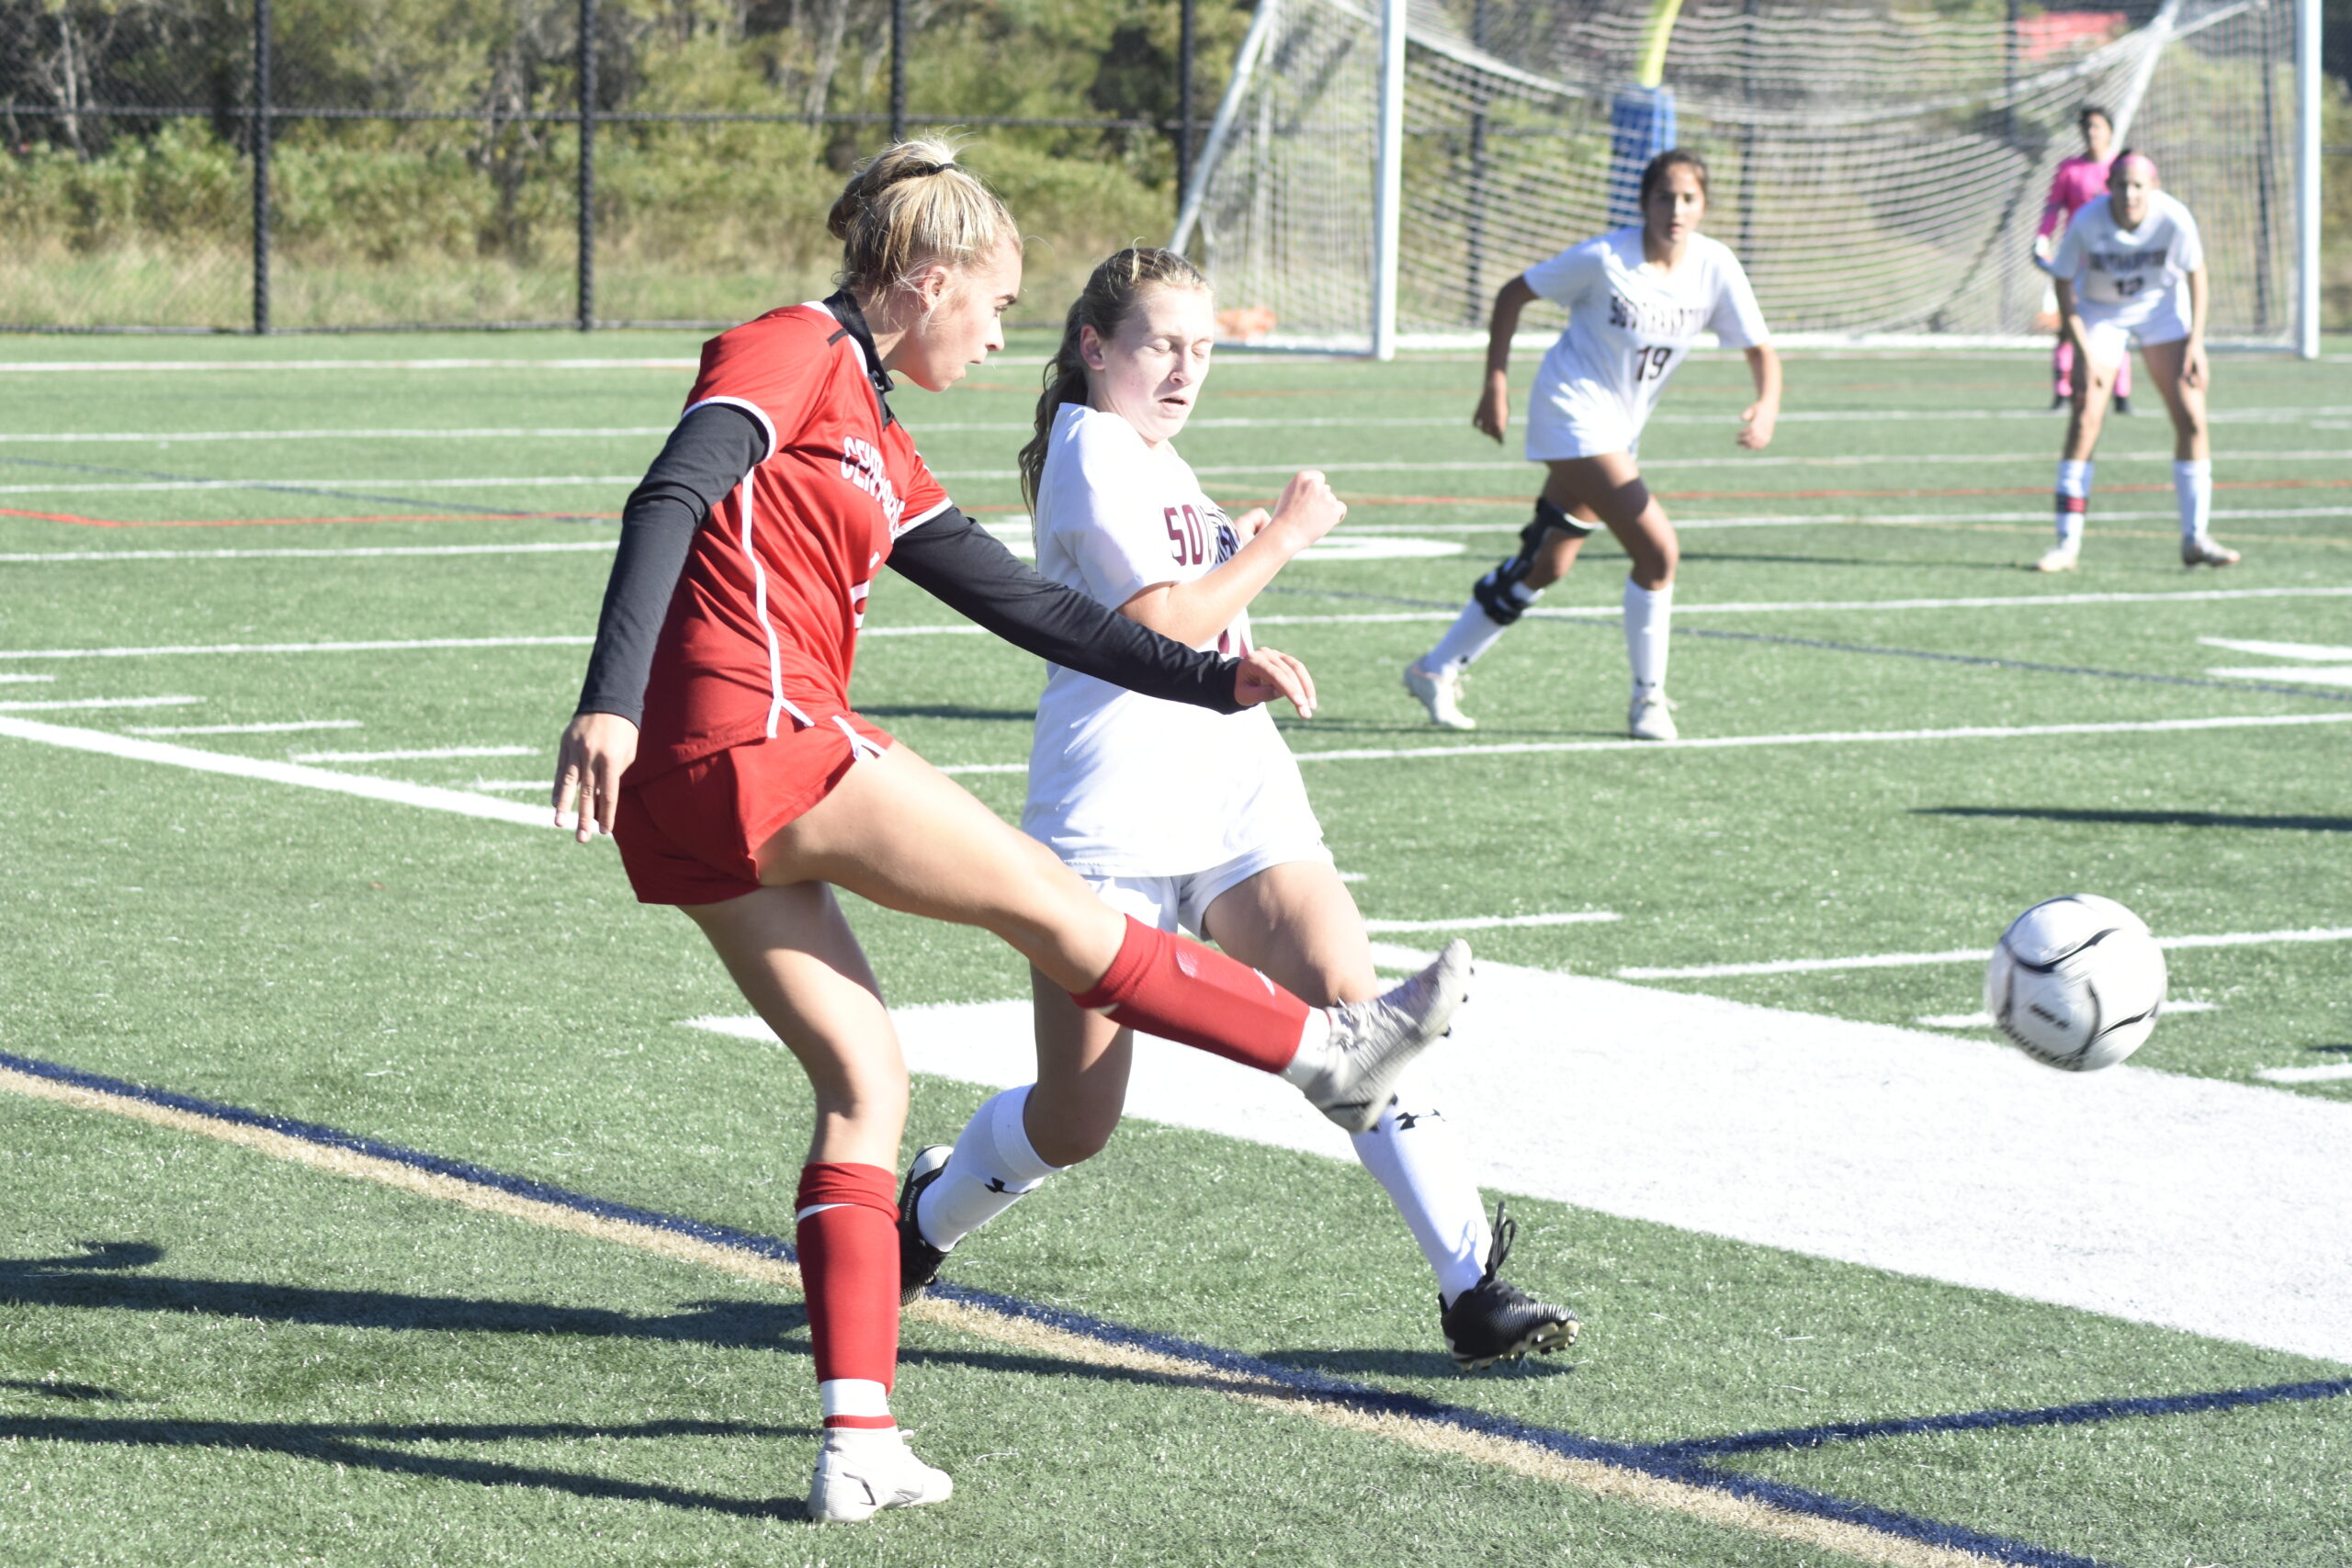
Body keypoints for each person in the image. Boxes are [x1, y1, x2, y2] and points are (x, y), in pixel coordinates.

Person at [549, 141, 1473, 1525]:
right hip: (755, 737)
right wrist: (606, 702)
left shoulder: (876, 425)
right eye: (991, 305)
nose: (998, 337)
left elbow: (1030, 608)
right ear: (924, 284)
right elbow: (670, 491)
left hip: (701, 795)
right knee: (1056, 901)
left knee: (868, 1081)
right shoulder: (791, 347)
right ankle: (1326, 1053)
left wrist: (1215, 676)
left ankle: (856, 1435)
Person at [893, 247, 1577, 1370]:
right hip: (1108, 809)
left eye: (1202, 348)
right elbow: (1160, 623)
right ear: (1094, 347)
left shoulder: (1152, 452)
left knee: (1359, 1014)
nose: (1183, 368)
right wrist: (1281, 539)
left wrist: (1243, 582)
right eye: (1161, 343)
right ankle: (924, 1218)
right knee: (1076, 1124)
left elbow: (1193, 612)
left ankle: (1471, 1288)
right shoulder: (1091, 449)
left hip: (1234, 783)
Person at [1403, 149, 1780, 740]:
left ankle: (1436, 667)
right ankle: (1647, 700)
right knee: (1658, 554)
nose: (1675, 210)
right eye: (1664, 197)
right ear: (1643, 202)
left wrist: (1767, 406)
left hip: (1617, 430)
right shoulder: (1605, 258)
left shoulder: (1715, 265)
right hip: (1569, 414)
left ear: (1704, 205)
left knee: (1549, 561)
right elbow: (1512, 295)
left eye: (1688, 198)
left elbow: (1761, 350)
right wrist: (1495, 384)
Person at [2039, 150, 2238, 572]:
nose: (2129, 193)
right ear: (2108, 186)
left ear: (2153, 186)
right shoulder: (2089, 221)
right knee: (2085, 418)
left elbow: (2196, 274)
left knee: (2192, 417)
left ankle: (2195, 538)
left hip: (2160, 312)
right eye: (2121, 184)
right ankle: (2066, 544)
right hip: (2101, 314)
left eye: (2138, 185)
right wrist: (2080, 351)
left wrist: (2196, 342)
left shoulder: (2174, 217)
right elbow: (2062, 281)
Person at [2036, 107, 2132, 415]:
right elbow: (2053, 208)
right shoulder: (2070, 170)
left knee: (2117, 321)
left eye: (2098, 127)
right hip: (2075, 258)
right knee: (2067, 324)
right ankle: (2061, 392)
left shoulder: (2121, 171)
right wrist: (2042, 237)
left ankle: (2121, 394)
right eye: (2088, 127)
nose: (2093, 132)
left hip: (2111, 259)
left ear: (2109, 131)